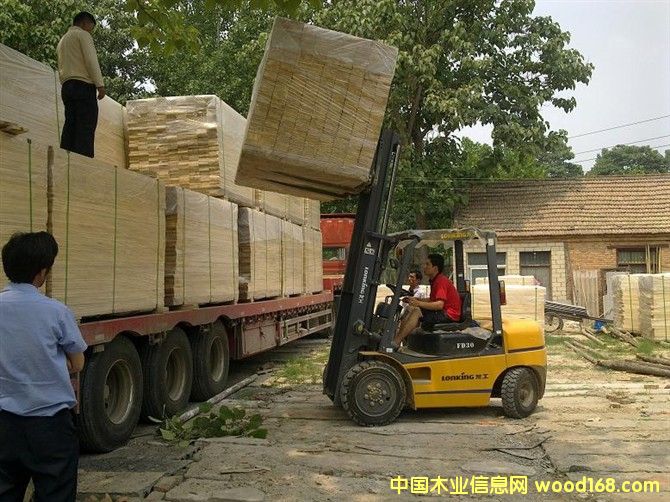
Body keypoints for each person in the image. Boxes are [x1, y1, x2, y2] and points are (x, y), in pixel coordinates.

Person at [0, 232, 87, 502]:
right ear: (41, 273)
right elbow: (78, 362)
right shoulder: (56, 311)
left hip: (4, 423)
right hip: (50, 426)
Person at [57, 11, 105, 158]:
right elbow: (91, 60)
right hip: (83, 86)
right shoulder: (83, 35)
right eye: (91, 27)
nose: (91, 31)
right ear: (85, 23)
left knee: (70, 126)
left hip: (67, 87)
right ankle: (83, 164)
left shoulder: (62, 41)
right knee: (85, 127)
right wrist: (100, 85)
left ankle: (66, 160)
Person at [394, 254, 462, 345]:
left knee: (416, 311)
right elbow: (432, 299)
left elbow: (439, 304)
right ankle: (405, 342)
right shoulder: (435, 280)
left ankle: (396, 341)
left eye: (427, 264)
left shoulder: (441, 281)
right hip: (442, 312)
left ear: (435, 268)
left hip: (449, 314)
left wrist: (418, 303)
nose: (424, 267)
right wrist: (416, 299)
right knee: (410, 308)